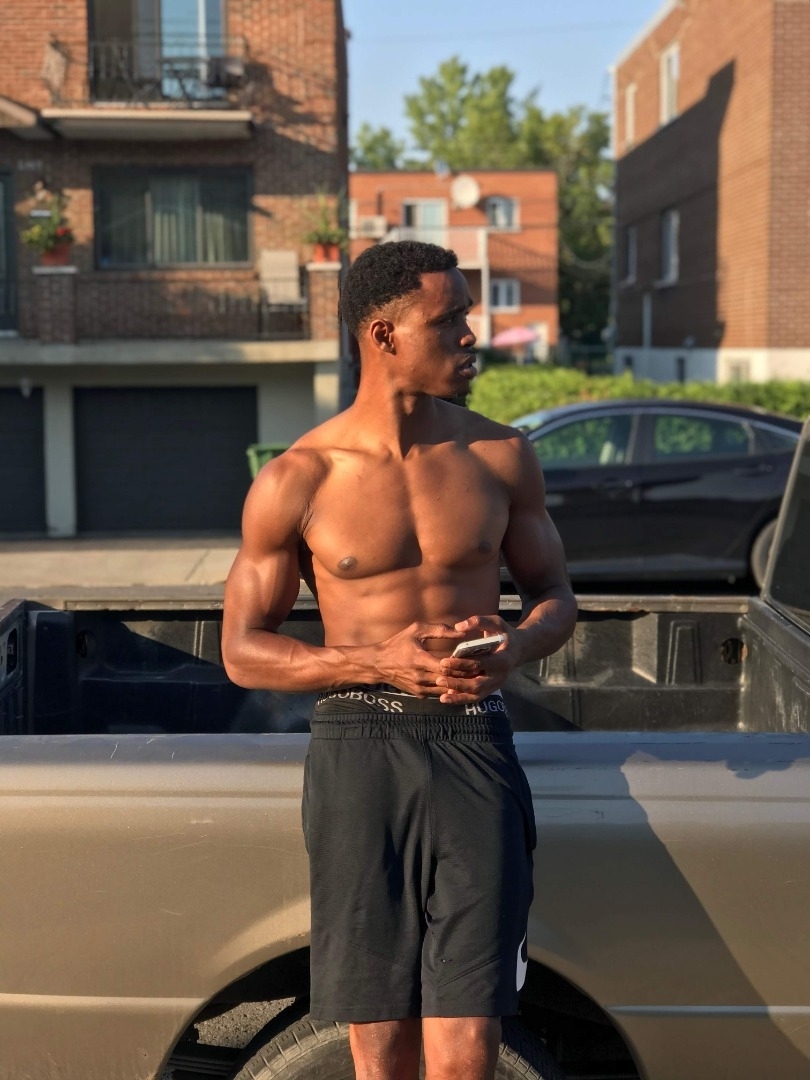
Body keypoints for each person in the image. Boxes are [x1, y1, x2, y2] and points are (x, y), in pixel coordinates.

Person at [222, 240, 577, 1080]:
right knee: (379, 1047)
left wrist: (517, 645)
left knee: (469, 1048)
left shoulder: (501, 456)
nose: (471, 335)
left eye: (467, 316)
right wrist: (376, 662)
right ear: (384, 335)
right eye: (448, 319)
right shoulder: (299, 477)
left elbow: (556, 597)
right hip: (359, 754)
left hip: (474, 744)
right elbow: (242, 651)